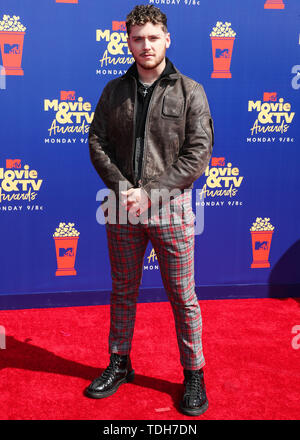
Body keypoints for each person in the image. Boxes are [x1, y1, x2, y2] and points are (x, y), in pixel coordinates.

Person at [86, 4, 214, 416]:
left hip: (171, 209)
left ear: (167, 39)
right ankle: (119, 363)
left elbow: (198, 153)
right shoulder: (112, 91)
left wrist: (152, 192)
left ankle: (193, 374)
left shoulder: (190, 91)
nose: (146, 45)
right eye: (138, 38)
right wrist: (125, 190)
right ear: (128, 42)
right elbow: (96, 143)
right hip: (122, 207)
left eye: (153, 37)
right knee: (123, 290)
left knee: (182, 294)